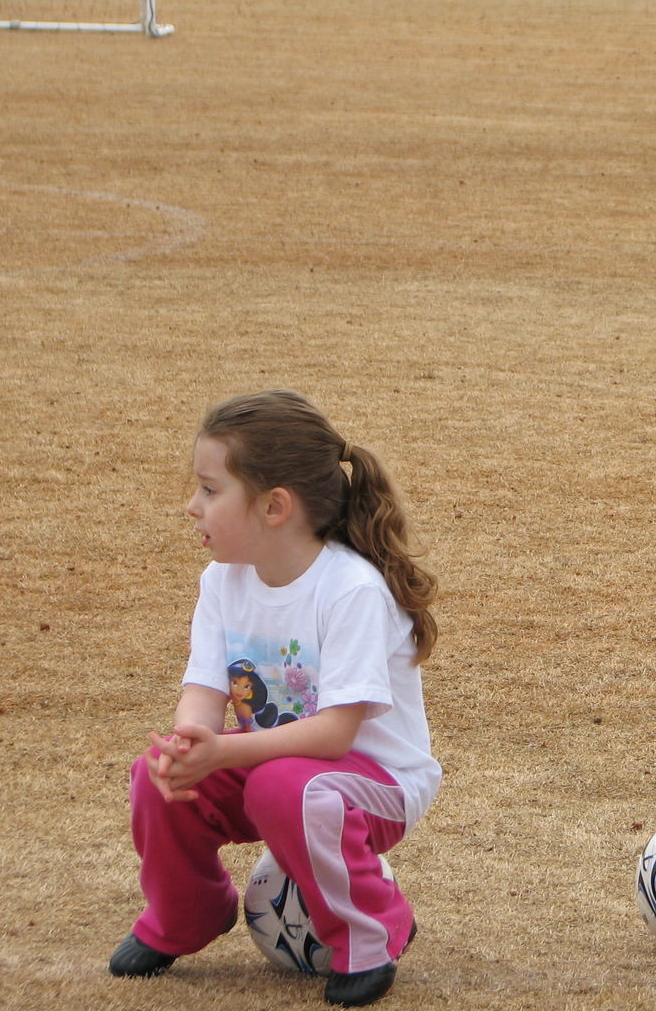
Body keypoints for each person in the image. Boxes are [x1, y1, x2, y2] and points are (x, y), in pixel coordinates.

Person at [108, 389, 442, 1008]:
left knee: (285, 787)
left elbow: (334, 736)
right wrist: (189, 743)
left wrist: (226, 754)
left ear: (274, 506)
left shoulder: (350, 591)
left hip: (376, 784)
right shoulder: (222, 581)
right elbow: (204, 688)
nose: (192, 506)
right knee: (155, 778)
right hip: (278, 765)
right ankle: (186, 915)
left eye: (210, 489)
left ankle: (372, 929)